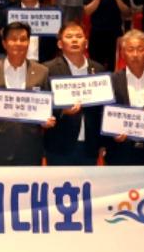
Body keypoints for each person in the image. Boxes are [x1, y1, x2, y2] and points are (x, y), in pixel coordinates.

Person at [0, 21, 51, 167]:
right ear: (4, 43)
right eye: (13, 39)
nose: (18, 43)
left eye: (23, 39)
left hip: (31, 147)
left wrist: (48, 119)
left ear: (28, 43)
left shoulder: (42, 71)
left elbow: (48, 107)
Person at [43, 21, 104, 166]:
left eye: (79, 36)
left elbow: (103, 110)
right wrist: (62, 111)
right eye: (69, 37)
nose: (75, 40)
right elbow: (42, 106)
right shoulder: (48, 69)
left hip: (90, 146)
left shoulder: (98, 70)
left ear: (86, 43)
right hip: (59, 145)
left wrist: (103, 143)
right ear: (60, 44)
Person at [103, 28, 144, 166]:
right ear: (123, 54)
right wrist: (111, 134)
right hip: (120, 153)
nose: (135, 54)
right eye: (130, 50)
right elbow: (101, 115)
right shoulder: (111, 81)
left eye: (140, 49)